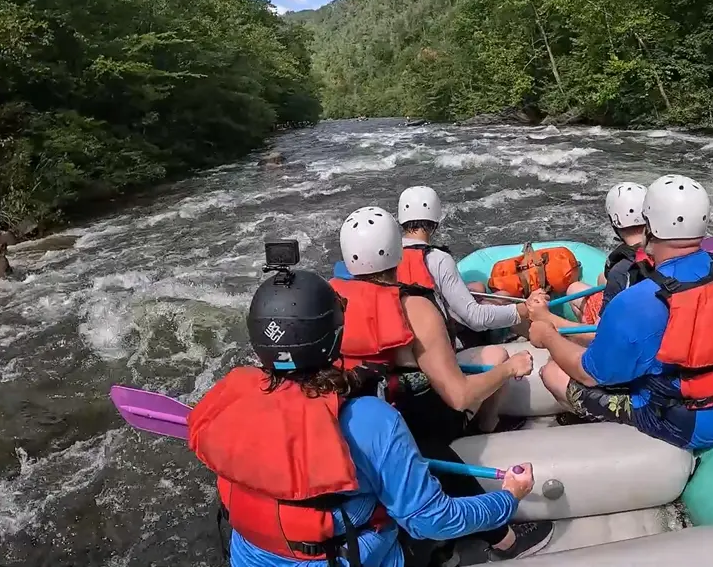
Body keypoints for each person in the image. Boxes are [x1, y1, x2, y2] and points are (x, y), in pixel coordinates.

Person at [187, 248, 539, 567]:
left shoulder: (227, 400)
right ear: (335, 336)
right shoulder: (372, 420)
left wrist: (352, 379)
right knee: (422, 525)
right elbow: (431, 520)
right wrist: (508, 498)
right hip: (352, 556)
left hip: (251, 557)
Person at [331, 206, 555, 560]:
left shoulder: (329, 299)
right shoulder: (415, 308)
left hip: (348, 418)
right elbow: (458, 395)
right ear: (396, 251)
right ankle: (503, 538)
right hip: (409, 425)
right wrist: (509, 368)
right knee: (482, 376)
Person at [527, 174, 713, 451]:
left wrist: (549, 335)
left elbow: (589, 374)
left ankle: (609, 434)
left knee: (553, 372)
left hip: (686, 424)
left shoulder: (638, 301)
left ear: (649, 227)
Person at [394, 186, 538, 348]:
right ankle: (543, 340)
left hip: (407, 336)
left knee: (479, 288)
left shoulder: (388, 255)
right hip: (443, 345)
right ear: (435, 219)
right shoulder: (438, 259)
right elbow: (475, 318)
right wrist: (522, 309)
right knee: (500, 301)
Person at [565, 182, 650, 326]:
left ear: (614, 221)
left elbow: (604, 326)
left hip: (632, 326)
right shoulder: (662, 248)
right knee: (602, 278)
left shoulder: (622, 270)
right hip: (651, 309)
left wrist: (551, 323)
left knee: (574, 289)